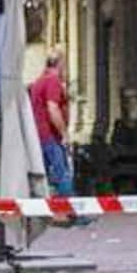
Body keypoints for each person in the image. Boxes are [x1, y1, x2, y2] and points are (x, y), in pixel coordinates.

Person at [29, 49, 89, 224]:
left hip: (38, 136)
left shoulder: (38, 82)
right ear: (60, 64)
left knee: (42, 176)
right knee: (63, 174)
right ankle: (73, 213)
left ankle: (36, 214)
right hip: (50, 136)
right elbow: (53, 108)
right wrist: (64, 134)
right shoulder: (53, 81)